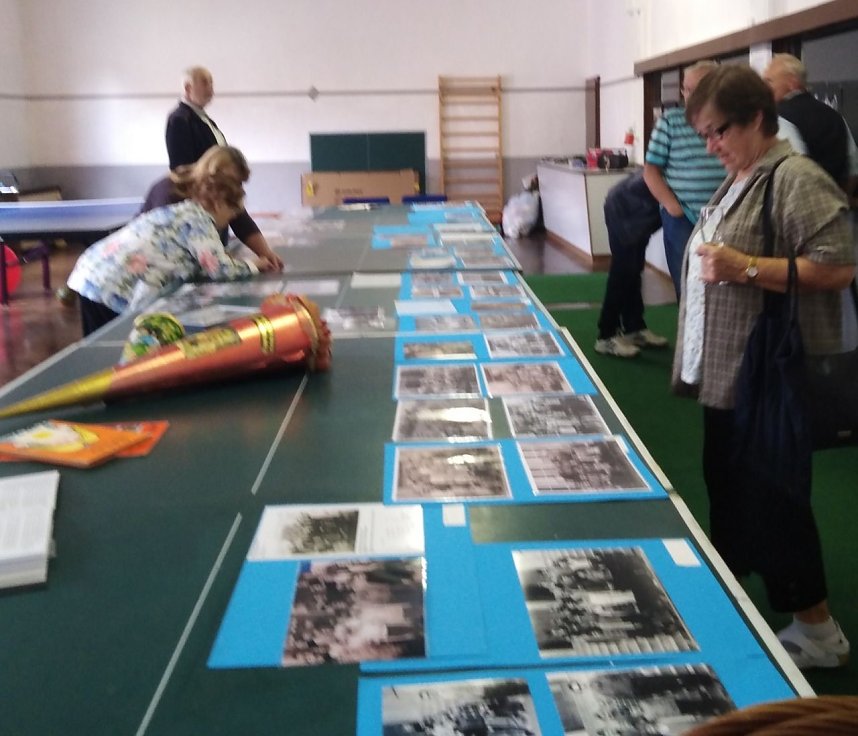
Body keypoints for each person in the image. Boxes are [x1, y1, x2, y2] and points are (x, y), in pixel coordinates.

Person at [675, 64, 855, 670]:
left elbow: (836, 268)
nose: (711, 145)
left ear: (757, 117)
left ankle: (818, 631)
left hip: (770, 375)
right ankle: (734, 604)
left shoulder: (795, 177)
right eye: (702, 134)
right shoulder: (742, 175)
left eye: (717, 130)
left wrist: (746, 267)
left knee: (776, 498)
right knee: (731, 489)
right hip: (732, 374)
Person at [67, 146, 279, 336]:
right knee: (109, 345)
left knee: (109, 344)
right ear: (219, 202)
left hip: (96, 274)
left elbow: (194, 261)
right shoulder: (198, 220)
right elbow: (219, 268)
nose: (229, 221)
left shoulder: (189, 209)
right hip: (107, 281)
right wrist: (254, 265)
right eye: (231, 214)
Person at [164, 66, 283, 269]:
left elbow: (235, 210)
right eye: (205, 82)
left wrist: (265, 253)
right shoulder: (179, 121)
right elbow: (182, 169)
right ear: (187, 87)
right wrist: (253, 264)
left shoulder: (205, 120)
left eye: (212, 82)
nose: (211, 88)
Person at [644, 61, 726, 298]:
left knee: (718, 286)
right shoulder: (671, 121)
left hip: (721, 215)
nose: (689, 95)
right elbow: (651, 171)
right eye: (686, 89)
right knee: (687, 286)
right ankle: (688, 335)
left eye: (695, 89)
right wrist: (673, 208)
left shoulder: (729, 121)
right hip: (683, 217)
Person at [594, 171, 668, 358]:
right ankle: (606, 336)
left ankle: (634, 328)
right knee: (623, 272)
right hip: (623, 208)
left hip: (642, 212)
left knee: (634, 270)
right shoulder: (678, 157)